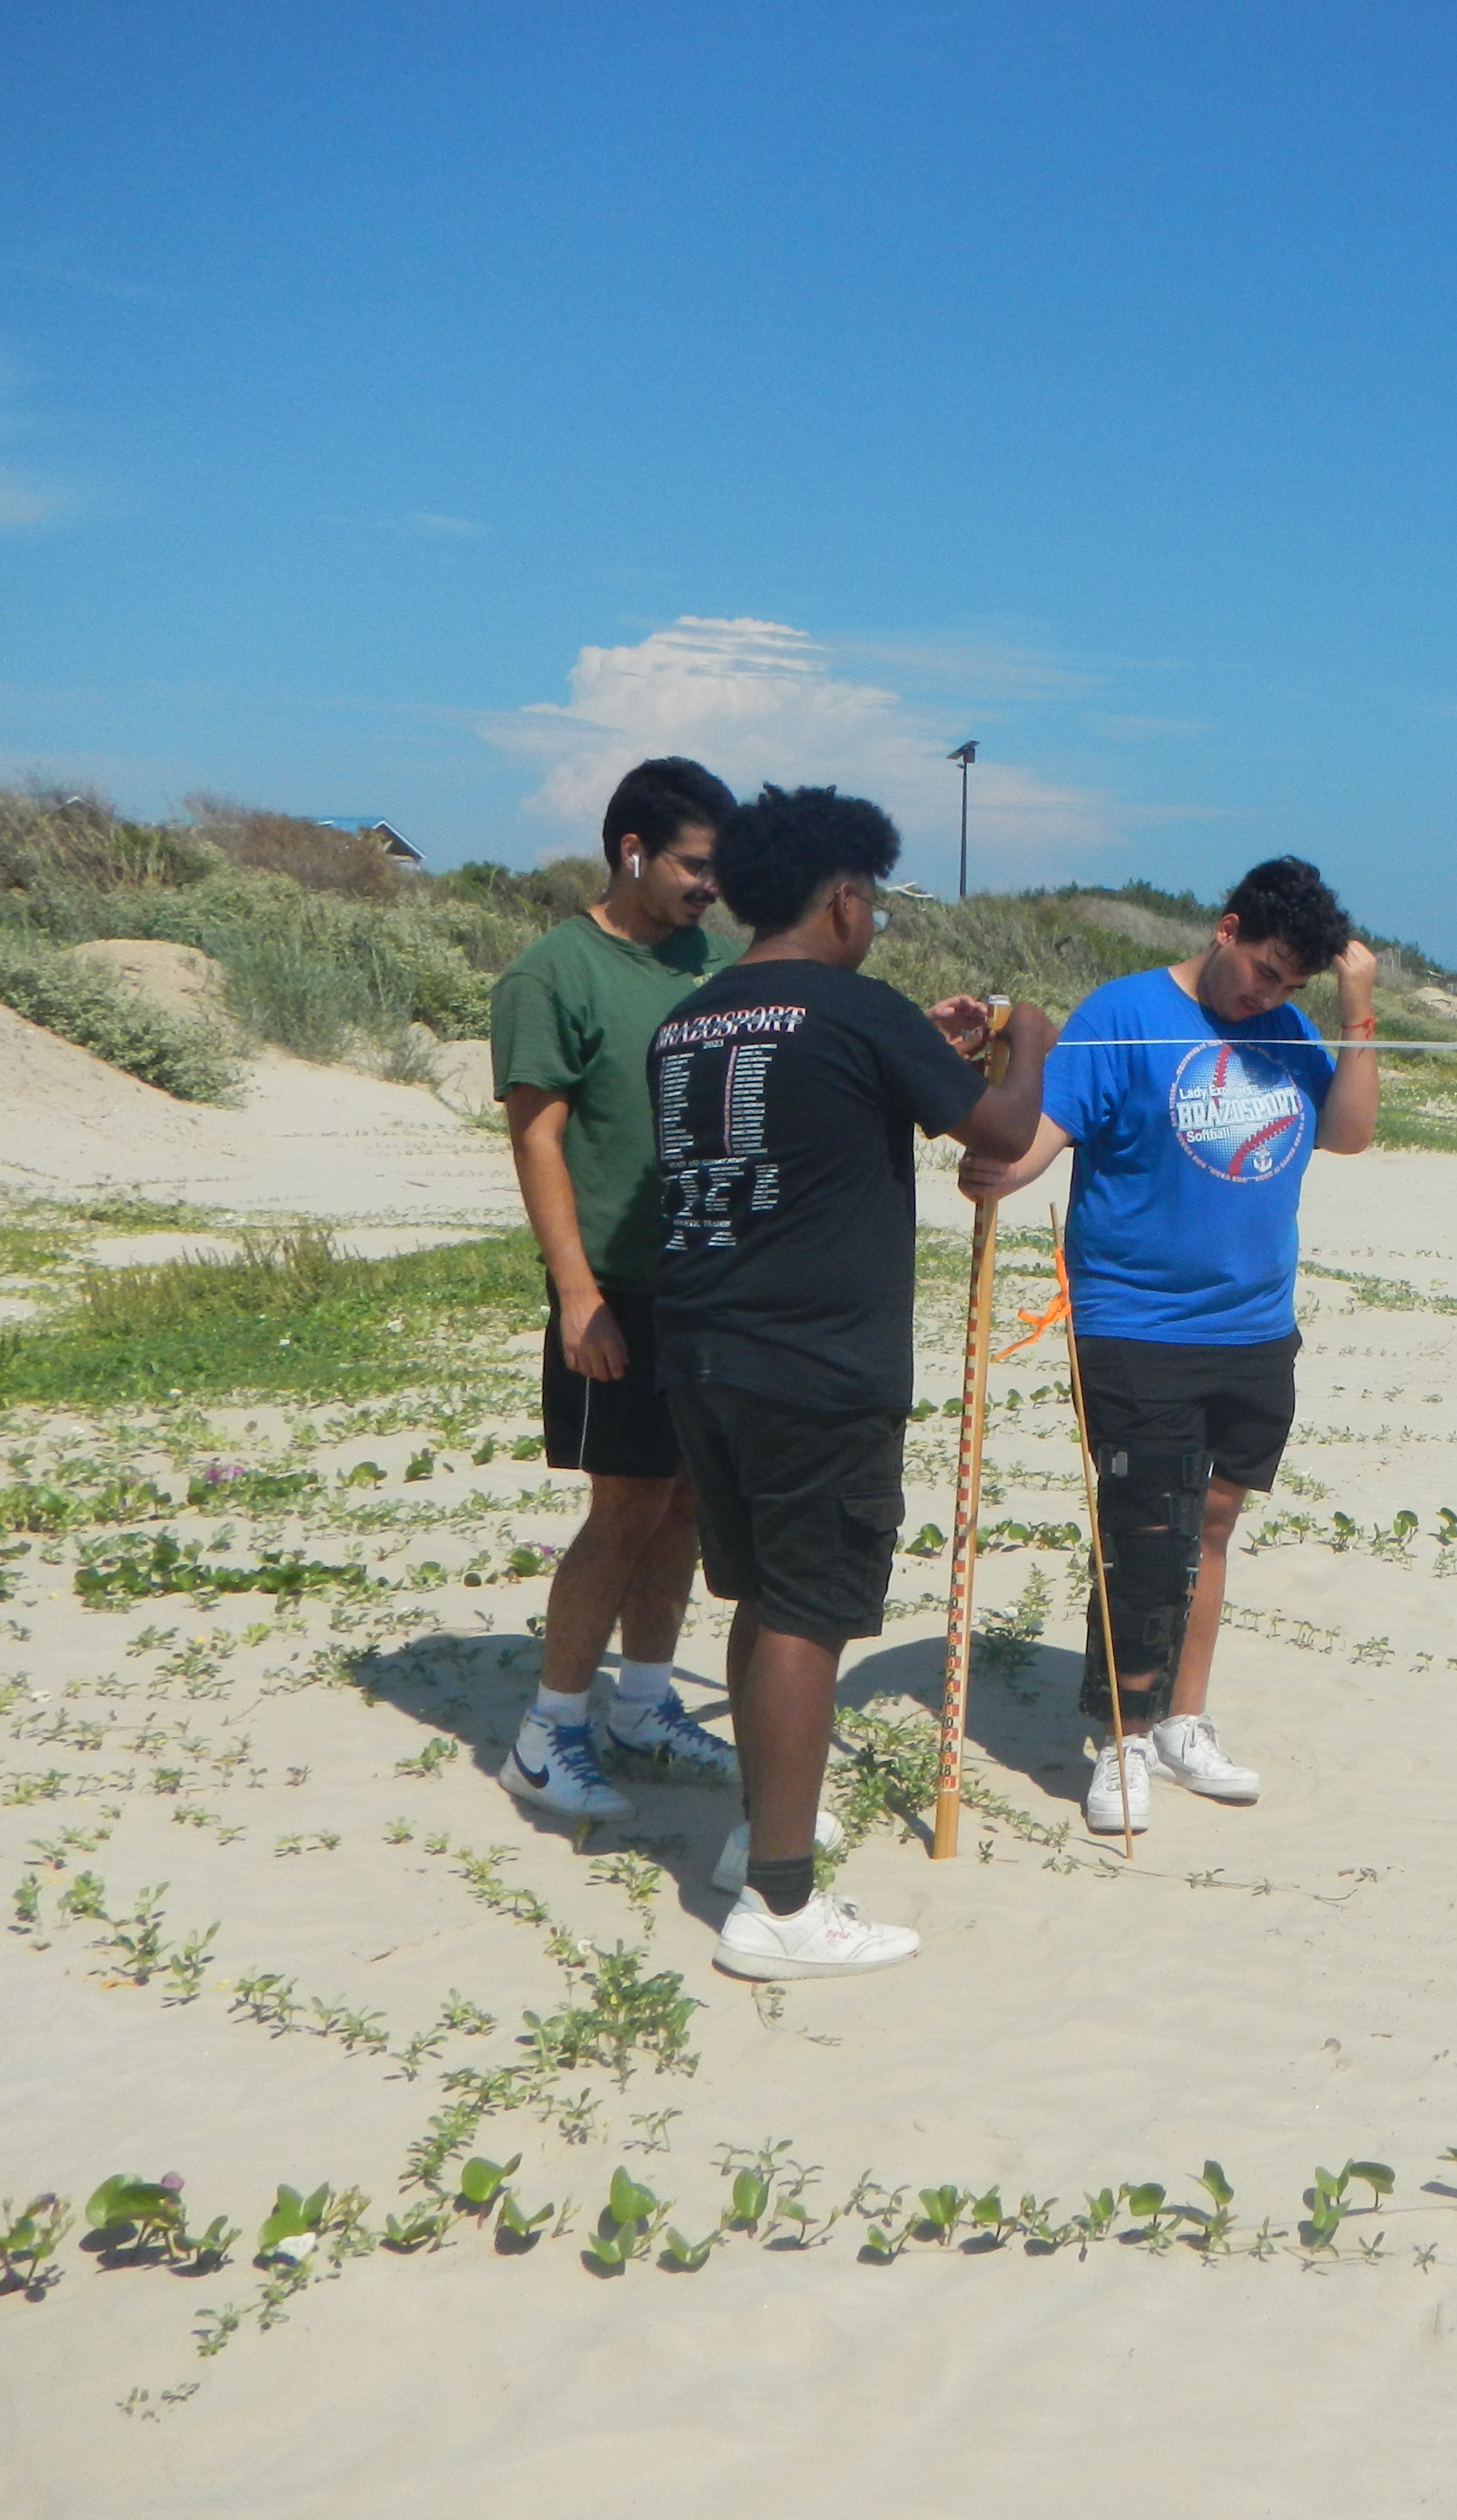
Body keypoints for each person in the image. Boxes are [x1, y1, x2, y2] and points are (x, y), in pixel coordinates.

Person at [650, 785, 1056, 1980]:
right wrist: (1029, 1039)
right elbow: (995, 1131)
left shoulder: (694, 1018)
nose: (871, 917)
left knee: (764, 1599)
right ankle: (780, 1906)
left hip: (704, 1350)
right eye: (870, 898)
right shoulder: (853, 1007)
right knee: (810, 1614)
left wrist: (911, 1050)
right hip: (818, 1366)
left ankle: (755, 1836)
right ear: (842, 898)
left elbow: (811, 1104)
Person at [959, 857, 1378, 1835]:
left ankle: (1183, 1720)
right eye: (1264, 971)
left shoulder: (1288, 1029)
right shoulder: (1125, 1015)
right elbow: (1042, 1136)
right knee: (1146, 1533)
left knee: (1215, 1523)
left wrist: (1355, 1006)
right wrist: (995, 1167)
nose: (1268, 995)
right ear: (1226, 928)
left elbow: (1349, 1133)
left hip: (1254, 1324)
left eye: (1292, 984)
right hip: (1137, 1322)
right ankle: (1123, 1738)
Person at [487, 756, 750, 1826]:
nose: (709, 888)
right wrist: (576, 1294)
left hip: (707, 1284)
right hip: (616, 1287)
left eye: (719, 870)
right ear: (631, 851)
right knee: (625, 1502)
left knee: (686, 1496)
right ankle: (549, 1731)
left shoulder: (714, 962)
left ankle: (644, 1702)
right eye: (694, 866)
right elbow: (536, 1139)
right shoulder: (553, 974)